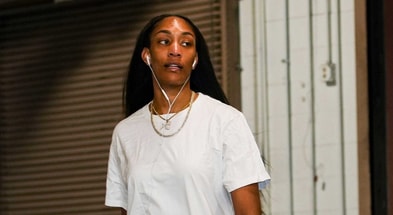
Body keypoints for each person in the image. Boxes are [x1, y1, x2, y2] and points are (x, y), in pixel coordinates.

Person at [105, 14, 270, 215]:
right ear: (147, 55)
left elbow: (248, 212)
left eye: (185, 43)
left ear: (195, 60)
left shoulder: (226, 121)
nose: (175, 51)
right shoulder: (125, 132)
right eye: (164, 42)